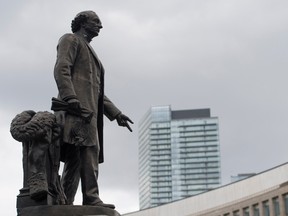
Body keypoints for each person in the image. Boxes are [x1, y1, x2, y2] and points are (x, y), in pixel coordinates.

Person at [53, 10, 133, 209]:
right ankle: (91, 197)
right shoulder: (70, 40)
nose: (100, 26)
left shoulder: (89, 51)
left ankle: (65, 201)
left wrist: (116, 114)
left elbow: (96, 91)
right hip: (77, 111)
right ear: (82, 23)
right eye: (96, 21)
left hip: (89, 113)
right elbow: (61, 68)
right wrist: (70, 97)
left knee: (76, 159)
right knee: (88, 154)